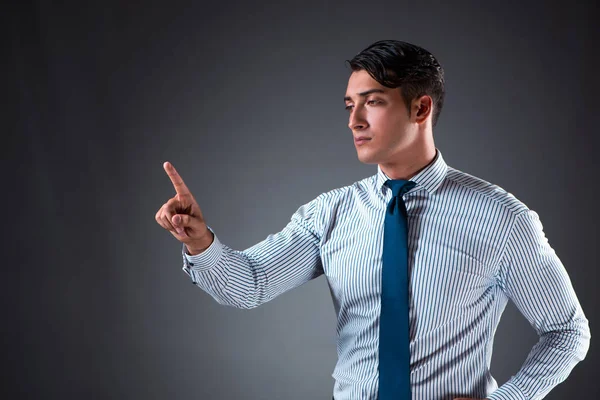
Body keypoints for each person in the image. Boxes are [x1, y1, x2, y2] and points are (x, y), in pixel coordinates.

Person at [155, 40, 590, 400]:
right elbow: (249, 285)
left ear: (421, 110)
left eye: (373, 103)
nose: (354, 121)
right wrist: (200, 242)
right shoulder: (330, 213)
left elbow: (567, 331)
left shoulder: (501, 218)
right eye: (349, 106)